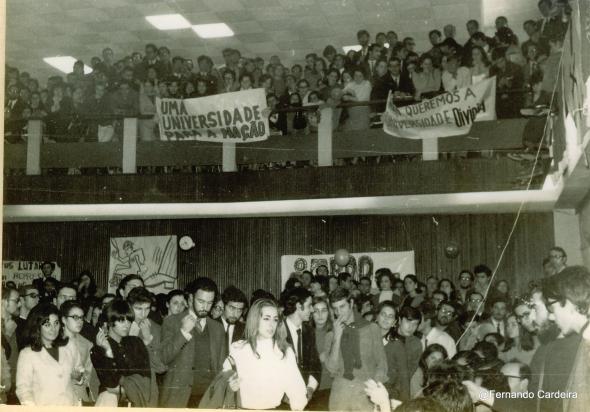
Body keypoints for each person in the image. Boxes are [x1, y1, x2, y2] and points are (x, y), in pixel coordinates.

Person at [224, 298, 308, 410]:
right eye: (266, 319)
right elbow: (222, 382)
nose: (271, 324)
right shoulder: (239, 348)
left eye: (275, 319)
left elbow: (298, 392)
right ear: (255, 320)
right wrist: (230, 386)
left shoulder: (284, 352)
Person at [159, 277, 226, 407]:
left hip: (208, 400)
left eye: (209, 302)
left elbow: (220, 367)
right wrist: (183, 332)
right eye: (201, 301)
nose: (205, 307)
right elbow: (163, 357)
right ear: (190, 298)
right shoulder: (172, 322)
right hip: (179, 400)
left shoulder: (217, 328)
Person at [326, 287, 387, 411]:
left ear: (352, 303)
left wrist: (375, 391)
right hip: (340, 396)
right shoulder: (331, 334)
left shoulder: (372, 328)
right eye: (335, 309)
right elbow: (332, 368)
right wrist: (337, 336)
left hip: (366, 395)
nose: (339, 312)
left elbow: (382, 365)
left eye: (342, 306)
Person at [16, 303, 82, 406]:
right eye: (47, 325)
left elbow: (79, 371)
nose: (53, 329)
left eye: (56, 323)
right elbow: (23, 390)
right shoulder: (27, 354)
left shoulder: (69, 346)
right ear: (38, 326)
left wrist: (78, 377)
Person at [91, 299, 154, 407]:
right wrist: (108, 352)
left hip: (137, 403)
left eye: (129, 320)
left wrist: (124, 388)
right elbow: (110, 384)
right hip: (111, 403)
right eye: (121, 320)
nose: (126, 325)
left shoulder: (136, 342)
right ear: (110, 322)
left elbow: (146, 379)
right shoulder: (99, 348)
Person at [281, 287, 322, 404]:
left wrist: (310, 388)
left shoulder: (309, 331)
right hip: (283, 400)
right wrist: (283, 395)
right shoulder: (277, 330)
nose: (313, 310)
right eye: (310, 305)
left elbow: (315, 364)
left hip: (305, 398)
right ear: (299, 306)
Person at [126, 287, 166, 401]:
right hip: (123, 389)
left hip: (148, 390)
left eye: (147, 308)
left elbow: (161, 367)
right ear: (129, 306)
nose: (143, 314)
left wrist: (148, 340)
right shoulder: (119, 325)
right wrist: (132, 339)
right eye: (138, 309)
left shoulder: (156, 329)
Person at [60, 300, 98, 405]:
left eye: (81, 317)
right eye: (75, 317)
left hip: (78, 395)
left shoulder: (87, 344)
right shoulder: (54, 340)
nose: (80, 321)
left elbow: (88, 376)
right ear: (64, 319)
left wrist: (79, 377)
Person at [383, 305, 422, 402]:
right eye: (408, 322)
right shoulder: (386, 334)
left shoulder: (416, 344)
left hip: (396, 390)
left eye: (415, 324)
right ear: (400, 320)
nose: (411, 327)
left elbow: (407, 374)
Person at [308, 296, 334, 410]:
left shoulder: (334, 332)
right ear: (311, 313)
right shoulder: (306, 333)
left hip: (330, 386)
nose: (320, 315)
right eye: (316, 311)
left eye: (323, 310)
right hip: (310, 387)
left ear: (329, 312)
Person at [219, 286, 248, 352]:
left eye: (239, 310)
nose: (235, 314)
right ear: (223, 306)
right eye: (232, 308)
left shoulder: (245, 330)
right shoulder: (211, 325)